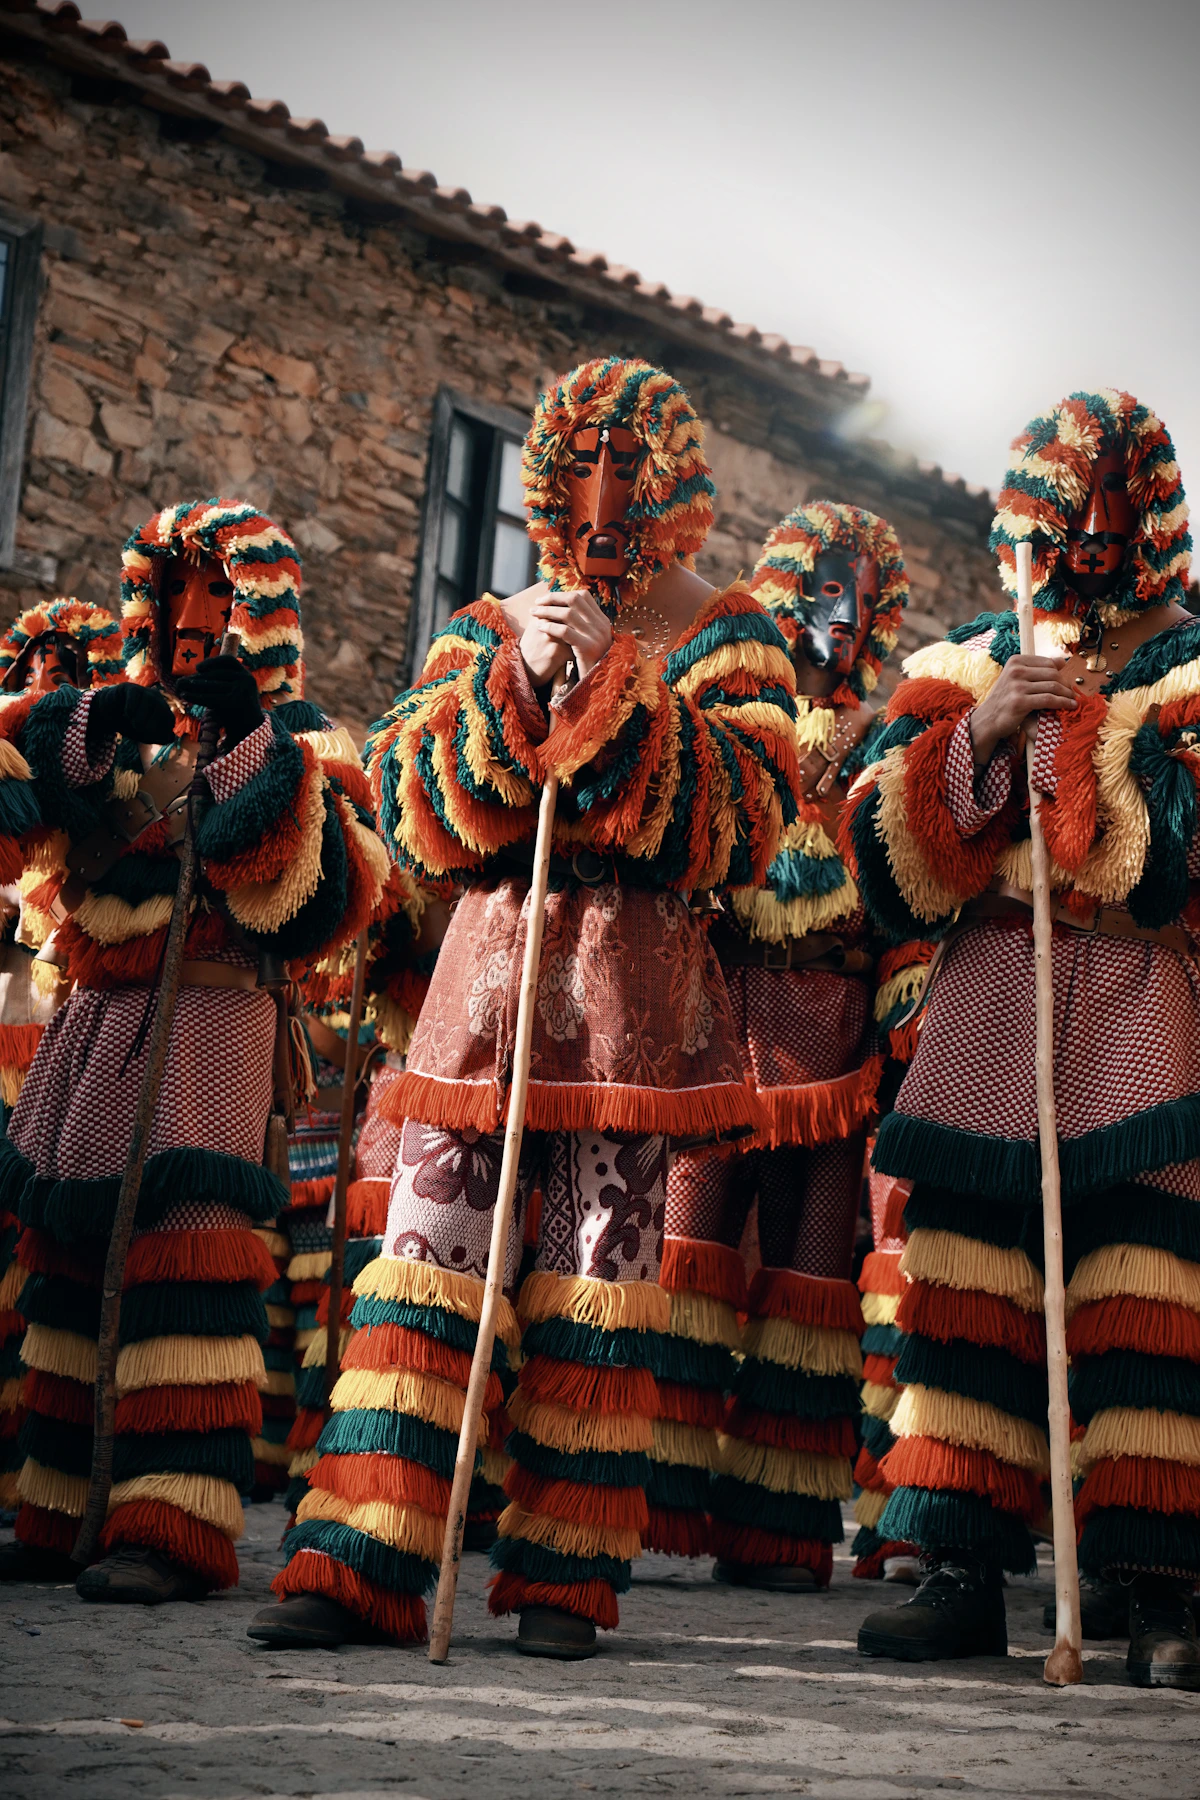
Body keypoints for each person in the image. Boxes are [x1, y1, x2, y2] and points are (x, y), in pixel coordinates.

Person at [252, 355, 800, 1656]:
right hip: (481, 1002)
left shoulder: (734, 631)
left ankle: (565, 1569)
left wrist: (621, 691)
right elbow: (410, 805)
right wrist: (512, 694)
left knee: (597, 1279)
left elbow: (750, 823)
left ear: (675, 488)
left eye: (632, 475)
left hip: (630, 1007)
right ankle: (363, 1554)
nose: (603, 501)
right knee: (424, 1262)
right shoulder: (483, 623)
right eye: (577, 473)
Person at [846, 389, 1200, 1689]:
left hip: (1140, 1014)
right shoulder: (959, 663)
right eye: (1067, 510)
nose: (1088, 538)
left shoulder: (1195, 665)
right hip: (992, 1001)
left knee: (1147, 1303)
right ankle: (957, 1567)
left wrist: (1091, 738)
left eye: (1114, 509)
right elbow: (886, 874)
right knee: (967, 1293)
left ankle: (1161, 1587)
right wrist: (985, 730)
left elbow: (1178, 865)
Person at [0, 499, 385, 1603]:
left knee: (189, 1253)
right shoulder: (108, 716)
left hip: (214, 1017)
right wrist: (81, 724)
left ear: (259, 607)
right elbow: (29, 807)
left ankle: (169, 1528)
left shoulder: (305, 732)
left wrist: (252, 747)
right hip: (99, 1014)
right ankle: (58, 1509)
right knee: (68, 1250)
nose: (193, 616)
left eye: (219, 592)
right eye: (175, 591)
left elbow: (327, 898)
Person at [653, 501, 911, 1586]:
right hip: (712, 1026)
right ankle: (641, 1504)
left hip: (832, 1048)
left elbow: (902, 891)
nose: (833, 618)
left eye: (856, 600)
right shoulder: (715, 707)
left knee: (810, 1290)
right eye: (817, 591)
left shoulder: (894, 734)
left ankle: (778, 1525)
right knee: (681, 1263)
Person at [0, 598, 124, 1514]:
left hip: (46, 1015)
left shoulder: (96, 768)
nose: (52, 673)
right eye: (35, 661)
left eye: (72, 661)